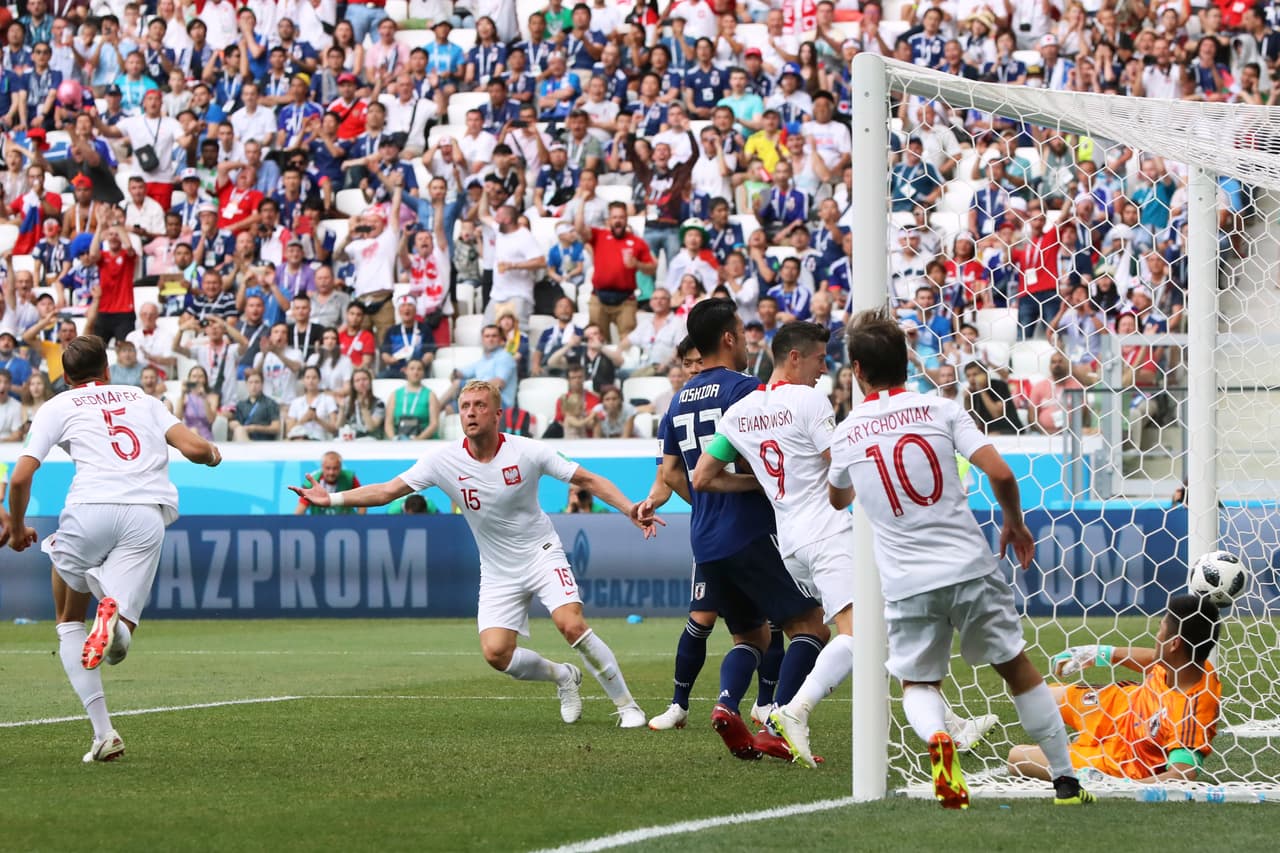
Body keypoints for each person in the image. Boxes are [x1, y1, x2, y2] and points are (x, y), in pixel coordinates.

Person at [827, 307, 1093, 808]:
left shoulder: (846, 434)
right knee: (1015, 667)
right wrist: (1013, 522)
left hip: (907, 581)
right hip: (970, 565)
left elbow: (837, 498)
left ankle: (938, 741)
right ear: (907, 364)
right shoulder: (942, 409)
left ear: (856, 370)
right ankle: (1065, 782)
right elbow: (1002, 472)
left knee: (919, 681)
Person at [289, 379, 653, 727]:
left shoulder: (528, 450)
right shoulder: (442, 459)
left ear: (498, 415)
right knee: (497, 653)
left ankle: (627, 706)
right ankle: (563, 677)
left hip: (541, 553)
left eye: (480, 405)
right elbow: (386, 492)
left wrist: (628, 508)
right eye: (464, 406)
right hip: (497, 570)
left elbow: (587, 480)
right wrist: (331, 497)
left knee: (570, 624)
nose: (471, 412)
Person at [5, 335, 220, 763]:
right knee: (120, 632)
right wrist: (213, 454)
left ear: (65, 378)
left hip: (89, 511)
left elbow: (17, 478)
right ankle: (115, 624)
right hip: (146, 515)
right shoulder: (142, 398)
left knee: (68, 619)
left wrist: (15, 528)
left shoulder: (57, 406)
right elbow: (196, 449)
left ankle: (104, 733)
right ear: (107, 369)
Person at [638, 299, 829, 761]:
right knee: (811, 625)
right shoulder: (748, 389)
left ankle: (727, 706)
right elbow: (756, 457)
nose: (745, 342)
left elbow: (673, 474)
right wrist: (759, 487)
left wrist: (708, 500)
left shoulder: (677, 399)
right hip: (750, 529)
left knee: (751, 639)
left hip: (705, 538)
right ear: (728, 338)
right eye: (742, 334)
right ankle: (782, 717)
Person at [1008, 594, 1221, 783]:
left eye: (1160, 629)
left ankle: (1075, 758)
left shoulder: (1191, 712)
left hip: (1122, 759)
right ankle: (1076, 743)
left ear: (1174, 644)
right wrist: (1099, 653)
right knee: (1037, 694)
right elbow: (1153, 659)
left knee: (1017, 758)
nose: (1156, 636)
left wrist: (1116, 784)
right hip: (1116, 707)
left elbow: (1182, 774)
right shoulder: (1188, 663)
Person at [574, 198, 657, 343]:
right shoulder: (599, 236)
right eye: (614, 217)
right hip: (599, 297)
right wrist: (582, 202)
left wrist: (637, 264)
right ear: (609, 220)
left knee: (629, 340)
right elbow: (579, 229)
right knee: (597, 340)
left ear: (626, 219)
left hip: (625, 300)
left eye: (621, 217)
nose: (618, 221)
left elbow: (651, 269)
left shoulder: (638, 242)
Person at [295, 451, 367, 515]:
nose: (331, 472)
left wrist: (358, 522)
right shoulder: (311, 483)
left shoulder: (349, 478)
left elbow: (362, 502)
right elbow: (300, 511)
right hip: (319, 524)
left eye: (335, 468)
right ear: (322, 467)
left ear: (340, 467)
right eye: (328, 468)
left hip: (346, 523)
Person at [385, 358, 440, 441]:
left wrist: (418, 439)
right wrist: (393, 439)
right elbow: (388, 423)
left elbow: (434, 424)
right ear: (406, 371)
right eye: (412, 369)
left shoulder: (430, 395)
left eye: (419, 369)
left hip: (423, 441)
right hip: (398, 440)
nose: (415, 372)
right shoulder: (395, 394)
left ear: (423, 373)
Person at [285, 365, 340, 441]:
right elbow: (289, 430)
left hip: (321, 441)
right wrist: (303, 419)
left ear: (319, 380)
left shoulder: (328, 399)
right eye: (307, 378)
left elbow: (335, 429)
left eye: (314, 378)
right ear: (303, 380)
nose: (310, 381)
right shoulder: (296, 402)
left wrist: (317, 419)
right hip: (300, 441)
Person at [229, 368, 281, 441]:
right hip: (243, 438)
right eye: (250, 382)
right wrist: (233, 425)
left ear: (262, 384)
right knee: (239, 430)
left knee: (239, 431)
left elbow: (276, 428)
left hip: (263, 442)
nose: (253, 386)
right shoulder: (241, 405)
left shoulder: (270, 403)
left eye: (257, 382)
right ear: (246, 384)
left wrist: (254, 428)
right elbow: (236, 423)